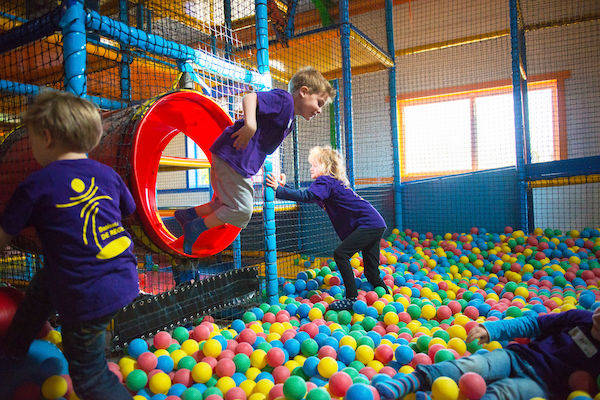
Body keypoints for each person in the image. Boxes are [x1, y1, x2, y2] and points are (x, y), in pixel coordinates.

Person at [0, 91, 139, 400]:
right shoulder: (109, 174)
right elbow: (128, 211)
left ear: (46, 137)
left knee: (90, 380)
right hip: (123, 277)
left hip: (86, 294)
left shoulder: (36, 184)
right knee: (43, 287)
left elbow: (4, 235)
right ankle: (13, 350)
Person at [174, 66, 335, 255]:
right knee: (242, 209)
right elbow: (250, 98)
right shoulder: (284, 100)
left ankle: (187, 215)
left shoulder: (289, 120)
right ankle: (196, 227)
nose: (319, 110)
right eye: (319, 103)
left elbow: (265, 148)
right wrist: (250, 124)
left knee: (223, 204)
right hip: (232, 157)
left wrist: (276, 173)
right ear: (304, 92)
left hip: (234, 160)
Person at [374, 307, 600, 400]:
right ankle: (412, 380)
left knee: (503, 392)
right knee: (473, 365)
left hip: (544, 385)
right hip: (518, 357)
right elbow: (531, 324)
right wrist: (491, 330)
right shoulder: (580, 317)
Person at [266, 145, 389, 311]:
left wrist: (278, 189)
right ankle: (386, 297)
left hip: (368, 224)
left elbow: (306, 195)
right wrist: (284, 187)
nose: (310, 168)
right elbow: (308, 197)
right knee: (371, 271)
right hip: (375, 224)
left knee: (340, 254)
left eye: (314, 165)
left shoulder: (325, 181)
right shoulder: (330, 185)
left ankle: (351, 298)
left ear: (325, 167)